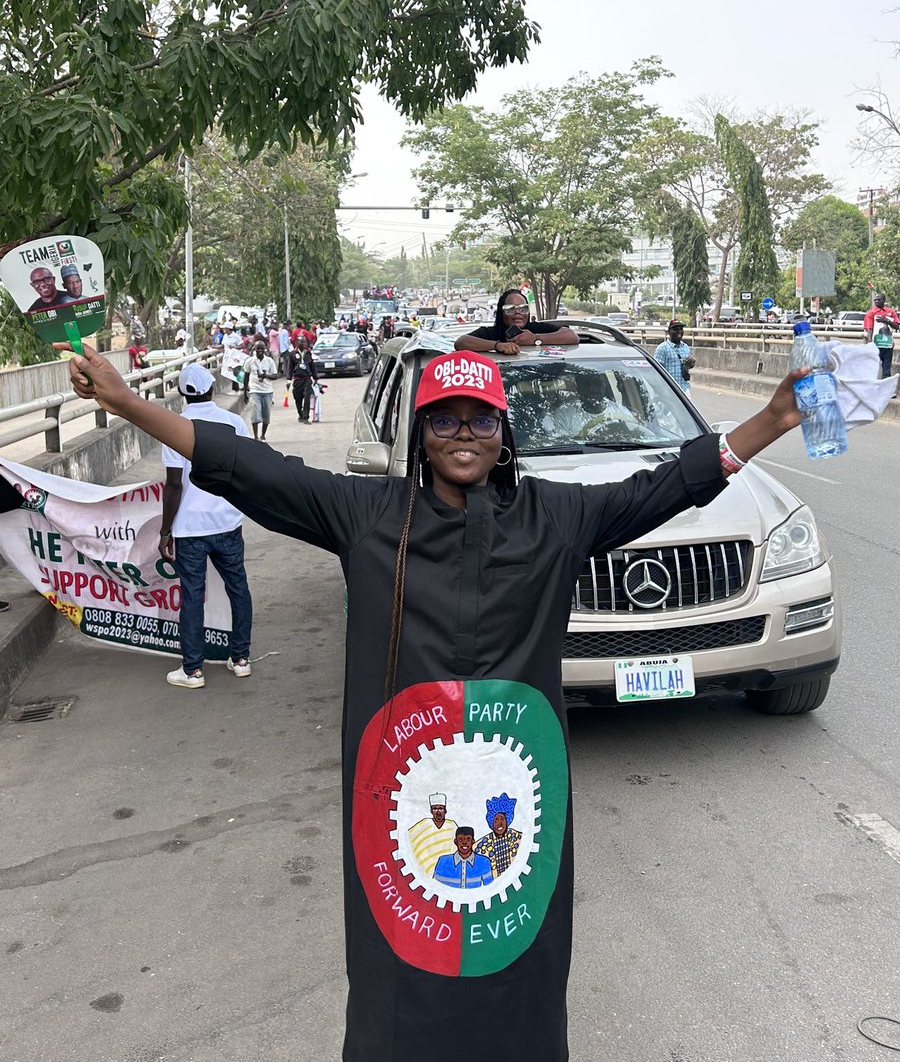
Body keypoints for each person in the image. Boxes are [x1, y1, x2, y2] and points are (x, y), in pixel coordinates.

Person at [64, 342, 809, 1062]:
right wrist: (127, 402)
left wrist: (771, 423)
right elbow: (249, 468)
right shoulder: (367, 515)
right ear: (420, 435)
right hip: (403, 812)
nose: (463, 434)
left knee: (521, 973)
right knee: (401, 981)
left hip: (516, 807)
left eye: (480, 419)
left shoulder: (555, 519)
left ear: (502, 432)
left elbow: (666, 485)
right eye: (443, 419)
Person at [159, 364, 253, 688]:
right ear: (212, 389)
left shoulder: (175, 428)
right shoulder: (234, 423)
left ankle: (193, 670)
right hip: (227, 521)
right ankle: (240, 658)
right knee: (237, 588)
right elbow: (246, 471)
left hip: (190, 527)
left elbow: (173, 486)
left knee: (192, 596)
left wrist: (164, 531)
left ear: (183, 393)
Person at [455, 289, 578, 354]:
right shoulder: (491, 334)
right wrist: (497, 346)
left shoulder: (537, 329)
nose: (518, 312)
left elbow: (572, 336)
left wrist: (535, 339)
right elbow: (461, 343)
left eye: (523, 308)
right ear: (501, 313)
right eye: (510, 309)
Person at [475, 793, 523, 879]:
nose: (499, 823)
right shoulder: (481, 846)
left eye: (502, 819)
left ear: (507, 820)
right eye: (496, 820)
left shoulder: (518, 838)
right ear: (491, 822)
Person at [408, 794, 458, 876]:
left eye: (441, 809)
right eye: (435, 809)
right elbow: (408, 838)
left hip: (449, 870)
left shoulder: (452, 825)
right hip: (426, 870)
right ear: (431, 811)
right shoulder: (423, 825)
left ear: (445, 811)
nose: (438, 812)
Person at [242, 341, 277, 442]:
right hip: (254, 391)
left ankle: (263, 435)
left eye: (262, 348)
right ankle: (256, 436)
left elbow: (275, 375)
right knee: (255, 413)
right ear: (254, 349)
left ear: (265, 349)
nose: (260, 350)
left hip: (267, 391)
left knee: (266, 414)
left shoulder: (269, 361)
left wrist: (266, 376)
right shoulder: (250, 361)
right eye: (258, 348)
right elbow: (246, 377)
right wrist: (245, 392)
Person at [654, 320, 696, 394]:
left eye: (681, 329)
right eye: (675, 329)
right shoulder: (662, 348)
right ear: (669, 331)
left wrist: (690, 364)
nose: (679, 331)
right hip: (668, 390)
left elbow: (688, 366)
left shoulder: (685, 347)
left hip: (684, 389)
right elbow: (656, 370)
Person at [864, 293, 900, 379]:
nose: (876, 301)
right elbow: (869, 329)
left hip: (888, 345)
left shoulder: (891, 312)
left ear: (884, 300)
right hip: (876, 346)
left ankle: (886, 388)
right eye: (875, 300)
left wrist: (887, 321)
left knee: (886, 370)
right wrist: (870, 344)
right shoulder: (871, 313)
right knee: (873, 369)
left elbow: (897, 326)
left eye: (879, 299)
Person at [286, 335, 318, 423]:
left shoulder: (308, 353)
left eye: (304, 342)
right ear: (297, 343)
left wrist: (315, 377)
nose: (303, 343)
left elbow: (312, 366)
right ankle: (300, 414)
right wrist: (289, 379)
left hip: (307, 379)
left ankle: (306, 417)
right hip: (297, 379)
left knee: (307, 397)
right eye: (301, 341)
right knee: (298, 398)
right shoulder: (292, 354)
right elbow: (290, 367)